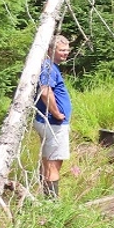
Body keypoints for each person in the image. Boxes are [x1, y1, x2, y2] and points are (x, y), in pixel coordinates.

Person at [34, 35, 72, 197]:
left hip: (48, 122)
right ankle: (51, 203)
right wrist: (57, 114)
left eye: (67, 50)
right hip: (53, 124)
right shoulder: (48, 67)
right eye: (62, 50)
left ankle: (46, 198)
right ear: (50, 50)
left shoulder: (51, 66)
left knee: (48, 161)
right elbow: (45, 91)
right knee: (54, 165)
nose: (66, 53)